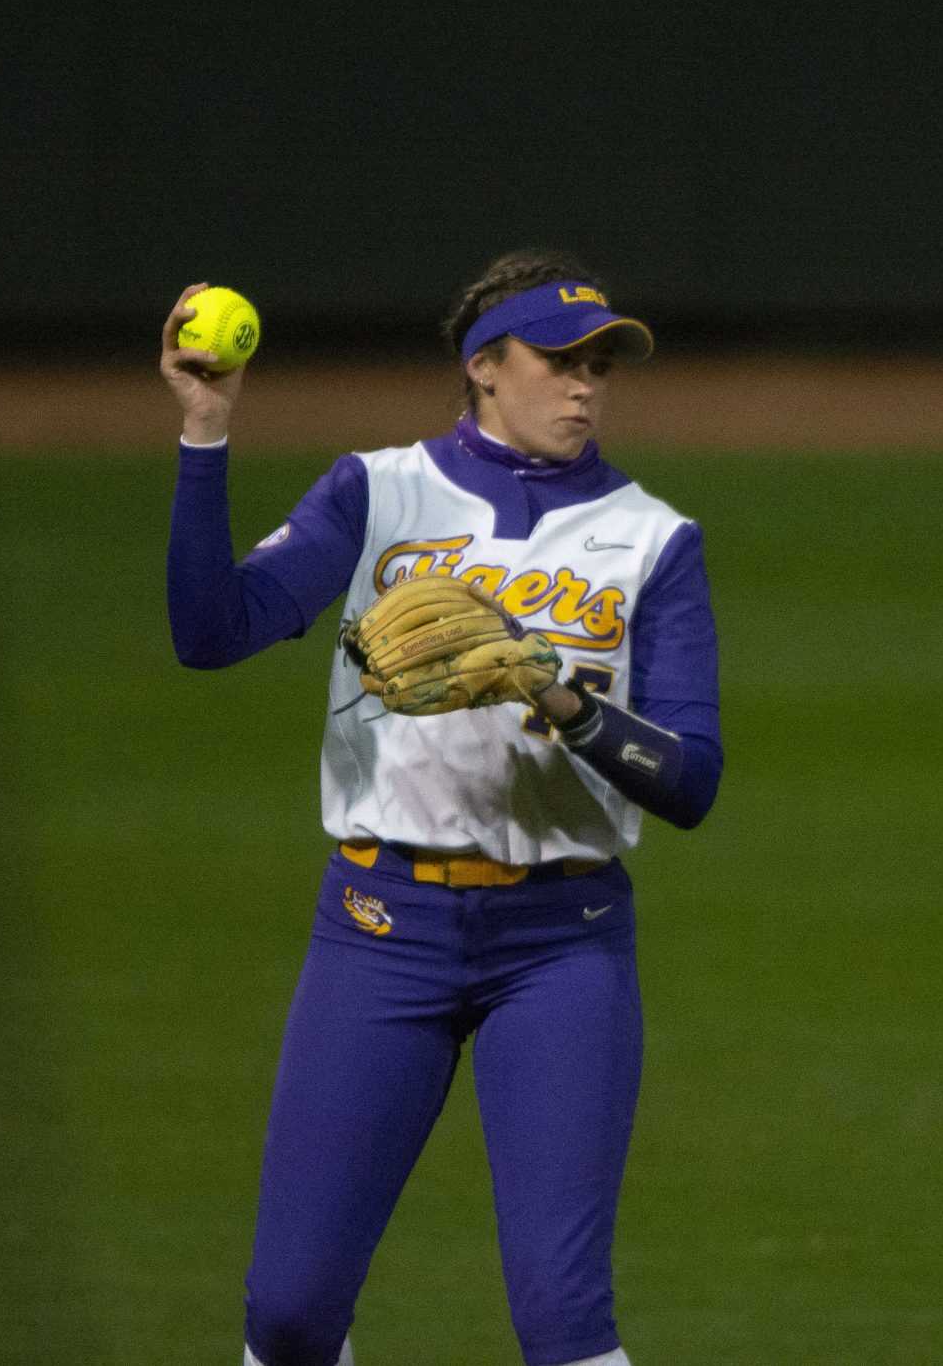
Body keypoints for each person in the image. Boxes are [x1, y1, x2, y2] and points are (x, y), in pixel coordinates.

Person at [160, 250, 725, 1366]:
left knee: (563, 1319)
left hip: (560, 946)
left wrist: (558, 696)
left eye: (599, 365)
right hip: (380, 932)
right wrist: (205, 432)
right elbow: (210, 633)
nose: (585, 386)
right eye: (559, 362)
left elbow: (692, 780)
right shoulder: (377, 491)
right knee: (287, 1314)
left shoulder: (653, 539)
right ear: (483, 367)